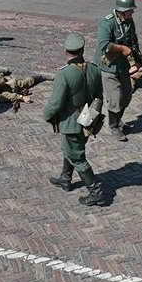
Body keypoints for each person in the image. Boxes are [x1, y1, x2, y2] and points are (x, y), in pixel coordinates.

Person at [43, 33, 105, 206]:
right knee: (70, 149)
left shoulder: (64, 74)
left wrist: (46, 115)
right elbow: (99, 97)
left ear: (66, 52)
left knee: (76, 156)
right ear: (82, 50)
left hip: (70, 123)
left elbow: (55, 103)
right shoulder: (94, 69)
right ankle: (65, 179)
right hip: (88, 120)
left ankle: (96, 191)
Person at [95, 0, 139, 141]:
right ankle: (113, 126)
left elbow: (133, 40)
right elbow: (104, 44)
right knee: (115, 97)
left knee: (127, 94)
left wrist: (137, 60)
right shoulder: (107, 23)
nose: (132, 13)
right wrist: (121, 49)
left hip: (123, 66)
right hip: (109, 67)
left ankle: (118, 120)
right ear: (123, 11)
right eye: (130, 10)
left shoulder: (129, 21)